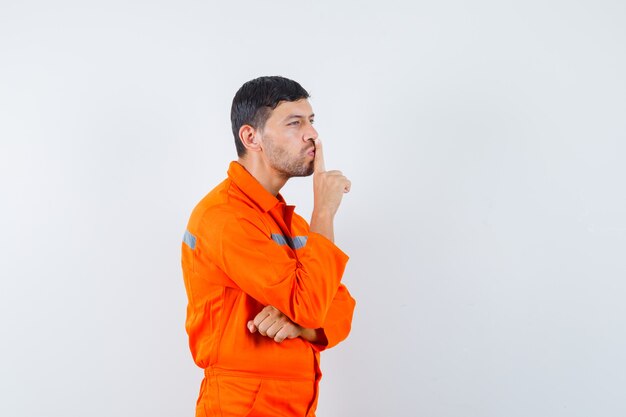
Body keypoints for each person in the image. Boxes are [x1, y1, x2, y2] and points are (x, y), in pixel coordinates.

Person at [181, 76, 356, 417]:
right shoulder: (225, 216)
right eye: (295, 123)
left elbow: (342, 306)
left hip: (294, 402)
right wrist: (323, 209)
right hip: (242, 405)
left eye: (312, 121)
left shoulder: (289, 223)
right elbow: (310, 302)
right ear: (251, 137)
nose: (313, 135)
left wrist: (301, 325)